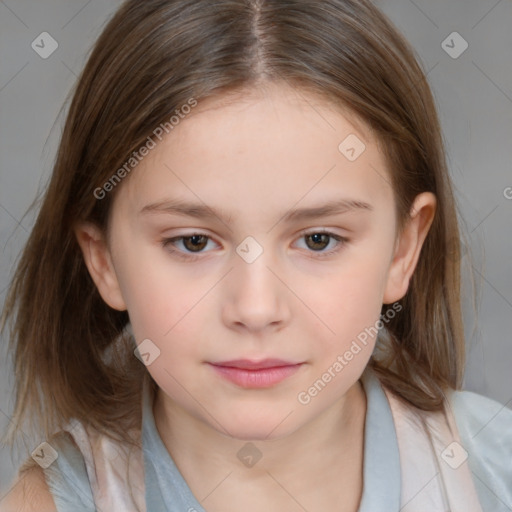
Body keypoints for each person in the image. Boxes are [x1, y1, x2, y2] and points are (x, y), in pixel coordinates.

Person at [1, 0, 511, 511]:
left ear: (404, 249)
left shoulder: (495, 471)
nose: (256, 308)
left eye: (318, 240)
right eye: (193, 242)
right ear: (103, 259)